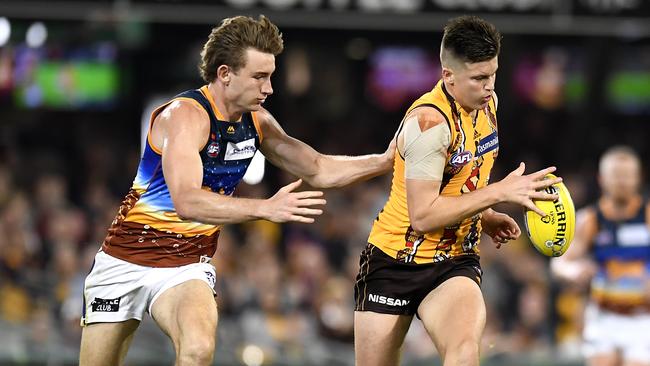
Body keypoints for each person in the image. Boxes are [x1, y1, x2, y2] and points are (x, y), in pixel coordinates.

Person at [79, 15, 395, 366]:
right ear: (225, 73)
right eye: (260, 76)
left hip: (185, 267)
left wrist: (385, 161)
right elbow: (186, 200)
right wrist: (265, 208)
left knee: (198, 349)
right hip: (123, 262)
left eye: (271, 76)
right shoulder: (185, 116)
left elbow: (318, 169)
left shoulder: (256, 121)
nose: (269, 88)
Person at [353, 15, 562, 366]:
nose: (488, 86)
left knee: (464, 352)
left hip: (455, 260)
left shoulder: (488, 103)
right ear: (448, 76)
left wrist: (486, 214)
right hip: (394, 260)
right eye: (478, 78)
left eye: (492, 74)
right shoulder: (429, 124)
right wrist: (496, 194)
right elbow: (422, 216)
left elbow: (461, 180)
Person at [551, 146, 650, 366]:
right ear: (601, 178)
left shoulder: (648, 215)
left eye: (627, 176)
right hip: (604, 317)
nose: (622, 182)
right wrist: (573, 271)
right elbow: (559, 262)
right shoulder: (590, 220)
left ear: (638, 178)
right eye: (616, 176)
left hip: (643, 318)